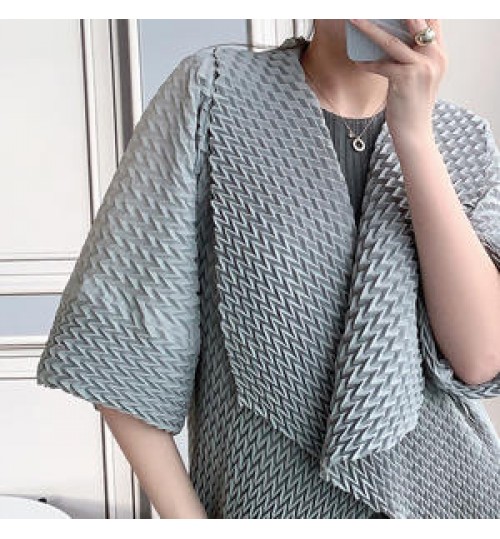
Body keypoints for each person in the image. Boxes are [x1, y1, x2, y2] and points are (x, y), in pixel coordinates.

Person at [36, 19, 500, 519]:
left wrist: (415, 136)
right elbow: (123, 346)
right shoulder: (215, 93)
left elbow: (480, 359)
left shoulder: (463, 140)